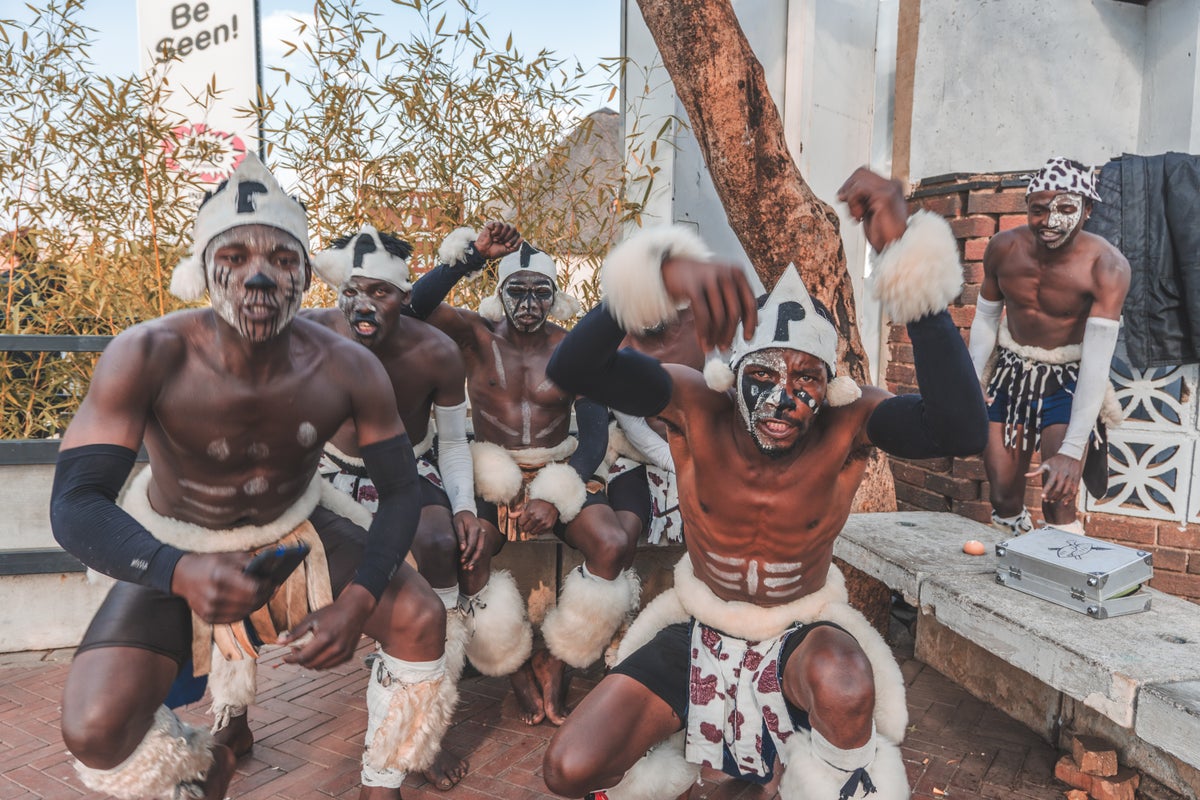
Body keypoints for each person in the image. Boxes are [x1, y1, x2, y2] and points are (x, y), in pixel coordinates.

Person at [540, 167, 988, 800]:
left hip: (800, 629)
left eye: (806, 380)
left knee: (845, 682)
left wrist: (905, 259)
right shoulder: (694, 403)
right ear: (734, 375)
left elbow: (960, 429)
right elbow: (572, 367)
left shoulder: (849, 420)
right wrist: (659, 275)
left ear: (830, 386)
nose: (783, 399)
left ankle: (795, 774)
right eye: (765, 377)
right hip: (702, 621)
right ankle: (725, 770)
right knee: (568, 767)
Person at [49, 153, 454, 800]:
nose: (259, 276)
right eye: (234, 257)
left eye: (282, 259)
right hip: (179, 540)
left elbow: (403, 489)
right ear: (204, 268)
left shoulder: (347, 366)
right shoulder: (147, 352)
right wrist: (176, 569)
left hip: (297, 529)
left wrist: (356, 603)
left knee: (420, 616)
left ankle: (382, 785)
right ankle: (198, 768)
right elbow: (75, 501)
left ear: (306, 276)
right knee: (95, 728)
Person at [303, 220, 524, 789]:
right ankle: (232, 716)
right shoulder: (312, 333)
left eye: (380, 292)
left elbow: (451, 442)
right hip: (329, 471)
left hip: (409, 465)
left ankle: (422, 729)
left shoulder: (435, 351)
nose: (363, 303)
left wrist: (464, 506)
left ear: (405, 298)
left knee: (443, 543)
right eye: (352, 290)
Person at [411, 240, 640, 727]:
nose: (530, 303)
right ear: (500, 293)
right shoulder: (475, 337)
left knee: (612, 544)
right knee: (466, 550)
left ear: (556, 296)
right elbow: (417, 303)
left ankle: (557, 659)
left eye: (541, 292)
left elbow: (594, 436)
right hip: (491, 469)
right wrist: (473, 254)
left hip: (558, 467)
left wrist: (557, 495)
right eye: (518, 291)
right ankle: (512, 667)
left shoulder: (574, 349)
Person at [968, 157, 1130, 534]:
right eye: (1039, 209)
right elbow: (986, 318)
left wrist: (1073, 450)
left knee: (1058, 499)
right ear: (1027, 206)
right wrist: (973, 379)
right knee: (1003, 496)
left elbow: (1096, 361)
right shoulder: (1003, 248)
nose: (1050, 221)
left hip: (1066, 382)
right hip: (1010, 375)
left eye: (1066, 210)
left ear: (1087, 210)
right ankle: (1017, 552)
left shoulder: (1107, 265)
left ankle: (1061, 562)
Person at [604, 310, 705, 546]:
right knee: (623, 533)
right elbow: (634, 427)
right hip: (636, 456)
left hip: (700, 451)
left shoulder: (701, 326)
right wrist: (678, 465)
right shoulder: (613, 339)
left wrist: (699, 462)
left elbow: (723, 394)